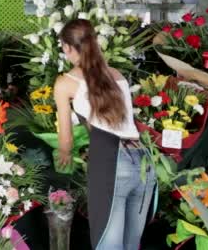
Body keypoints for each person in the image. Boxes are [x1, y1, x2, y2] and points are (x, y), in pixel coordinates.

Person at [54, 19, 156, 250]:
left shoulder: (65, 83)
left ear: (68, 47)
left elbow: (66, 139)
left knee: (107, 245)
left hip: (111, 162)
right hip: (144, 163)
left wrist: (65, 154)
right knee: (131, 245)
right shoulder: (117, 74)